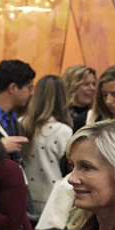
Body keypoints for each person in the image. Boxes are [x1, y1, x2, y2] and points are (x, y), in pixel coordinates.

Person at [21, 75, 73, 221]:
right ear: (64, 98)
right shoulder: (63, 131)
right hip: (52, 200)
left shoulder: (21, 124)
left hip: (24, 198)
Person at [62, 64, 97, 129]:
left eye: (94, 84)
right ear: (72, 86)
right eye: (86, 84)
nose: (92, 88)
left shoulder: (97, 115)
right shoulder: (61, 116)